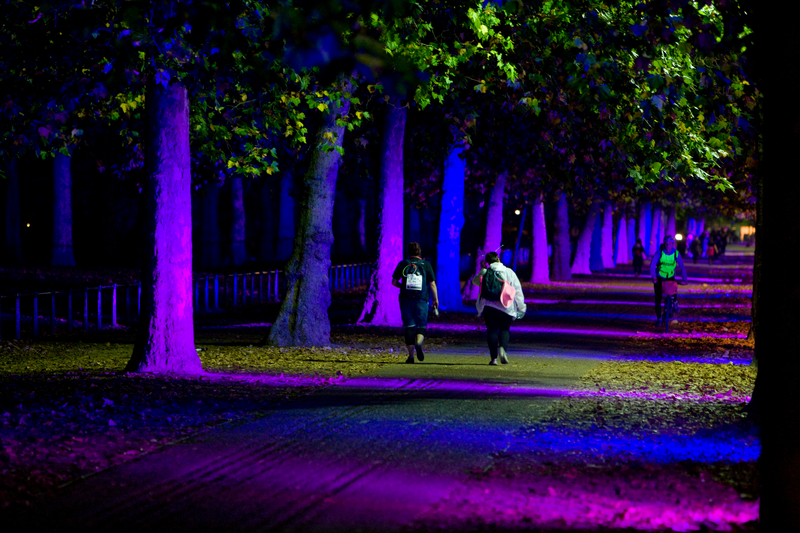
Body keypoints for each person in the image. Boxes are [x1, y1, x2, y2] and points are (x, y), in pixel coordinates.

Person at [471, 251, 526, 365]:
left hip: (488, 306)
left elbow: (475, 282)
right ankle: (502, 349)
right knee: (504, 329)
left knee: (491, 330)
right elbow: (517, 291)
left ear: (487, 262)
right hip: (506, 306)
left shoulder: (485, 272)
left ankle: (494, 359)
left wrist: (483, 269)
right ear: (498, 259)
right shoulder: (508, 272)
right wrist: (521, 308)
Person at [392, 242, 438, 363]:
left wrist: (404, 287)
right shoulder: (425, 264)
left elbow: (394, 282)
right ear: (419, 252)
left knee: (409, 326)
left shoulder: (403, 264)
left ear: (409, 252)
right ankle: (418, 343)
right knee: (421, 325)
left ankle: (411, 356)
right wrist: (435, 299)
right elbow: (432, 283)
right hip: (421, 299)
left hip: (405, 299)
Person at [650, 235, 688, 327]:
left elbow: (682, 267)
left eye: (670, 244)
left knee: (674, 289)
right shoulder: (659, 253)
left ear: (672, 244)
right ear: (664, 244)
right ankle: (658, 318)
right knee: (658, 298)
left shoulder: (676, 254)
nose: (668, 246)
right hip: (660, 277)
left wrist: (684, 279)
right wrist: (654, 278)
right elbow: (652, 266)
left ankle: (675, 302)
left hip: (670, 276)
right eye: (666, 244)